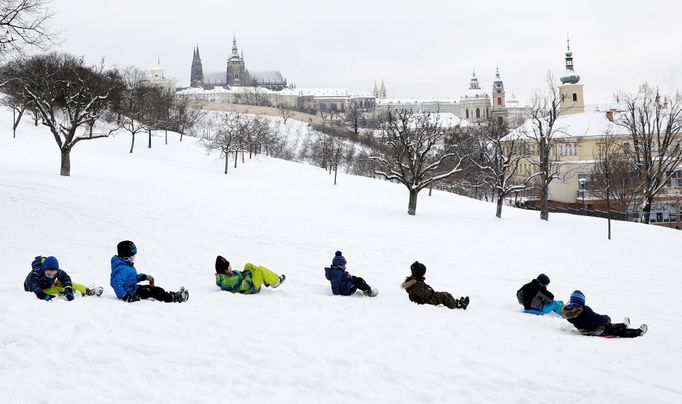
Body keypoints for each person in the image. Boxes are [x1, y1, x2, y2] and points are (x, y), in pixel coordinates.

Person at [110, 240, 188, 303]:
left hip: (134, 288)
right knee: (153, 292)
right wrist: (126, 296)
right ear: (126, 255)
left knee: (157, 289)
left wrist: (144, 277)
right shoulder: (122, 268)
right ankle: (175, 298)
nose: (134, 256)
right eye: (133, 254)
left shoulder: (126, 265)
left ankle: (171, 294)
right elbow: (116, 283)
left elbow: (131, 278)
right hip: (132, 293)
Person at [561, 290, 647, 338]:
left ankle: (623, 325)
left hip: (584, 331)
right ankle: (638, 332)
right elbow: (598, 318)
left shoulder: (568, 313)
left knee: (610, 326)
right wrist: (607, 318)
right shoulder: (585, 311)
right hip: (596, 330)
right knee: (615, 330)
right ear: (581, 301)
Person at [24, 256, 103, 301]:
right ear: (43, 270)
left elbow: (65, 277)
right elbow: (34, 286)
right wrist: (43, 295)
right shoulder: (36, 273)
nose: (51, 276)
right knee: (58, 289)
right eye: (48, 274)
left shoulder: (56, 271)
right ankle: (72, 293)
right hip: (38, 288)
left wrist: (68, 288)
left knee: (70, 284)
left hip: (49, 283)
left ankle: (87, 291)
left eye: (54, 274)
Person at [401, 261, 469, 310]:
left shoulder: (416, 281)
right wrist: (429, 290)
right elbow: (424, 295)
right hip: (424, 301)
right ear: (419, 274)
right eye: (423, 273)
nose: (424, 274)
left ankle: (456, 302)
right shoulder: (415, 284)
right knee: (443, 296)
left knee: (446, 294)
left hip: (426, 298)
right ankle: (458, 305)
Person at [215, 255, 286, 294]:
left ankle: (265, 280)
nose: (231, 267)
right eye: (229, 266)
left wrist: (246, 273)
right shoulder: (228, 281)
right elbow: (245, 285)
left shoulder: (227, 275)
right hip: (251, 288)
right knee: (260, 269)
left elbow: (240, 276)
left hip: (246, 280)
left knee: (248, 265)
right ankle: (275, 282)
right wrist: (248, 274)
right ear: (226, 270)